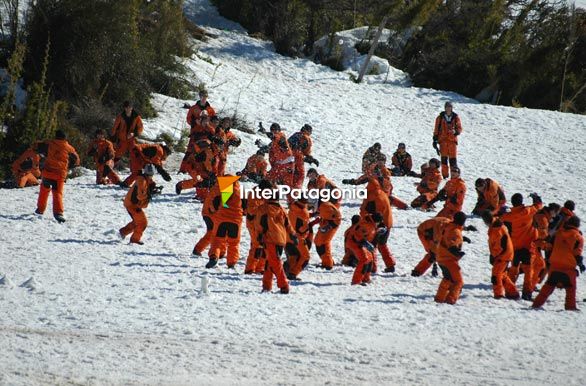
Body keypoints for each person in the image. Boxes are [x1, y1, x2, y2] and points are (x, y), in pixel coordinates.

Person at [532, 216, 584, 311]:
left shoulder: (558, 233)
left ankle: (536, 304)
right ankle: (570, 307)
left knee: (548, 286)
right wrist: (580, 264)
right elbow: (577, 254)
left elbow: (549, 246)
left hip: (554, 265)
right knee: (571, 288)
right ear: (577, 225)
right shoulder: (578, 237)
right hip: (568, 267)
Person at [254, 180, 297, 294]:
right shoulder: (281, 209)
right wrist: (293, 235)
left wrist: (258, 237)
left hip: (269, 239)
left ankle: (284, 285)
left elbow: (259, 225)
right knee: (270, 263)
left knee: (275, 263)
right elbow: (288, 224)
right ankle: (266, 286)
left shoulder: (263, 209)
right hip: (281, 240)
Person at [501, 192, 543, 300]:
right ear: (521, 201)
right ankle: (527, 293)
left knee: (513, 269)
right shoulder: (529, 211)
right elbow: (538, 205)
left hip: (515, 247)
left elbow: (500, 217)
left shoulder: (509, 216)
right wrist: (536, 198)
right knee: (529, 271)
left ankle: (510, 291)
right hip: (528, 247)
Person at [33, 130, 80, 223]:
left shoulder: (49, 144)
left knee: (44, 189)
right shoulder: (69, 148)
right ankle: (58, 213)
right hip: (60, 174)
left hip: (48, 172)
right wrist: (67, 167)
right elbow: (77, 161)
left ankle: (40, 209)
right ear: (65, 138)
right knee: (57, 192)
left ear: (55, 136)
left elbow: (35, 147)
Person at [205, 175, 243, 269]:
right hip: (236, 221)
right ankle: (231, 262)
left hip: (221, 220)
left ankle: (214, 256)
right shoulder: (240, 193)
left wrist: (214, 211)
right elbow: (246, 207)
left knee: (217, 240)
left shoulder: (222, 192)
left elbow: (214, 206)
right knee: (233, 243)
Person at [481, 211, 520, 300]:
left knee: (496, 275)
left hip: (503, 255)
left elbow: (500, 246)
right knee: (502, 275)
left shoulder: (497, 229)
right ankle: (513, 293)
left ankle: (498, 295)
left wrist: (494, 256)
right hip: (504, 254)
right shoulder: (495, 225)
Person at [360, 178, 396, 273]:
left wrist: (366, 217)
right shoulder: (380, 193)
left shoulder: (375, 197)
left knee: (372, 246)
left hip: (379, 225)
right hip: (386, 224)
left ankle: (372, 267)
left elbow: (376, 215)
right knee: (382, 245)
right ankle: (390, 264)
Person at [434, 211, 469, 304]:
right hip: (448, 260)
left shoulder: (448, 226)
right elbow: (452, 244)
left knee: (447, 278)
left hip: (440, 257)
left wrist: (463, 238)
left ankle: (439, 298)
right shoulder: (456, 232)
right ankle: (451, 300)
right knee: (459, 281)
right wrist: (458, 253)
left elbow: (448, 237)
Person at [119, 164, 157, 244]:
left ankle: (123, 231)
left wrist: (153, 189)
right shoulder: (141, 181)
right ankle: (134, 239)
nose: (151, 177)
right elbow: (141, 196)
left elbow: (148, 185)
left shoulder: (145, 179)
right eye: (150, 175)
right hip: (132, 205)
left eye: (152, 175)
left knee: (137, 221)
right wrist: (149, 195)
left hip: (131, 203)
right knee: (143, 222)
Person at [348, 213, 386, 285]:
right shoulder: (366, 225)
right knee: (364, 259)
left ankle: (365, 278)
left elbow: (369, 233)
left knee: (370, 259)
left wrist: (378, 231)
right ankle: (356, 281)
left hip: (360, 243)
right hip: (355, 243)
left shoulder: (370, 223)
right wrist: (365, 243)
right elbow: (356, 236)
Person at [284, 198, 317, 280]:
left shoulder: (293, 207)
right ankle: (293, 273)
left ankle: (286, 270)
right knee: (305, 257)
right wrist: (310, 227)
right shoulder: (303, 212)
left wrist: (312, 215)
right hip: (298, 238)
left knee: (294, 256)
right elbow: (303, 228)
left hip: (288, 236)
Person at [433, 101, 462, 179]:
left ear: (452, 108)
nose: (448, 108)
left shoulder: (456, 118)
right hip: (443, 141)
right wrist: (435, 139)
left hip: (452, 141)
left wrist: (455, 132)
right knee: (444, 160)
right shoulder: (440, 118)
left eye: (450, 107)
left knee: (453, 160)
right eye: (447, 107)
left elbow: (459, 128)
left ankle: (454, 176)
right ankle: (445, 176)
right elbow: (436, 129)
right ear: (445, 108)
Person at [314, 198, 342, 270]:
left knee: (322, 243)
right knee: (318, 241)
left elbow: (335, 216)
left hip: (330, 225)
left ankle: (328, 264)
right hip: (329, 224)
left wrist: (327, 225)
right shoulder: (326, 205)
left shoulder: (324, 206)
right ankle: (327, 261)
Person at [288, 124, 318, 188]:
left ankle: (289, 186)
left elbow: (287, 144)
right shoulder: (306, 138)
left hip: (288, 156)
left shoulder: (295, 134)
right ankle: (296, 189)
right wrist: (311, 158)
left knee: (291, 173)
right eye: (310, 132)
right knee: (300, 174)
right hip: (298, 156)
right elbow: (306, 151)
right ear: (308, 131)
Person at [243, 192, 266, 274]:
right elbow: (252, 210)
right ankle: (250, 268)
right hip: (253, 224)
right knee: (257, 246)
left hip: (261, 224)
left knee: (263, 247)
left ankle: (259, 268)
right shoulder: (253, 195)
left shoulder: (263, 194)